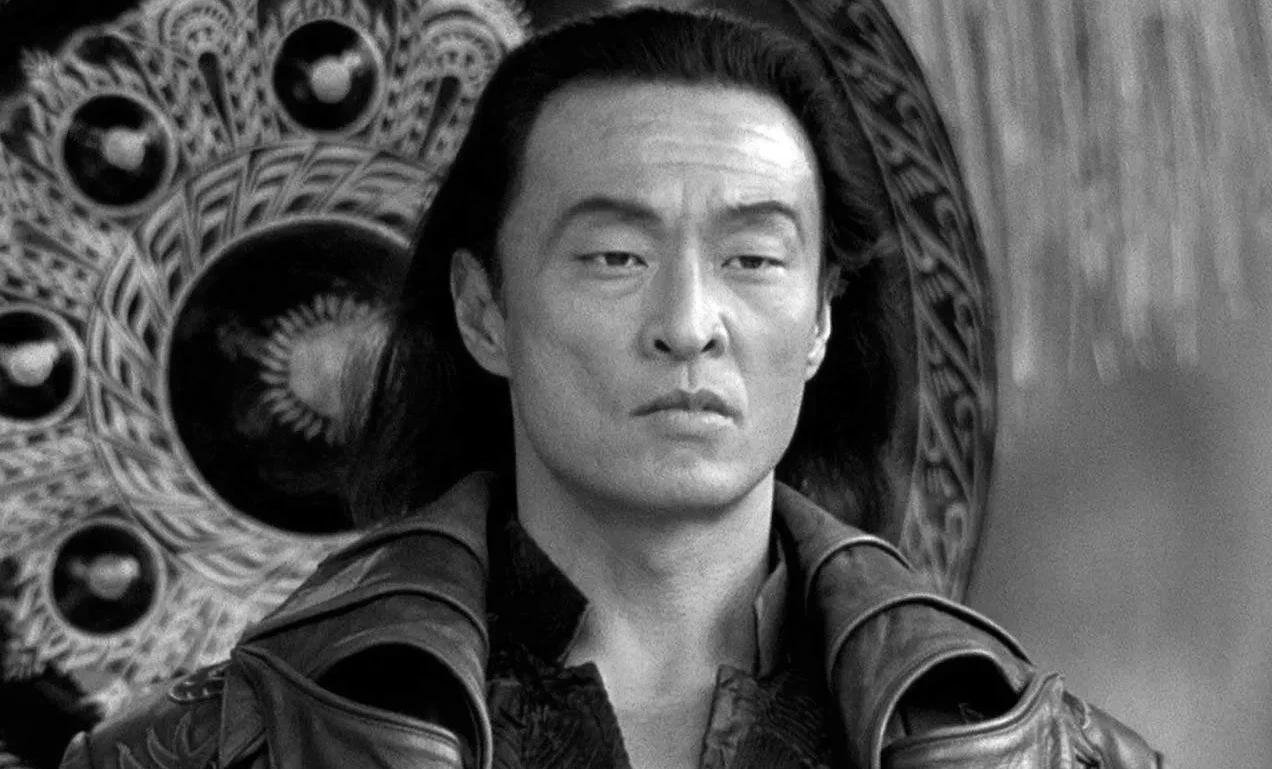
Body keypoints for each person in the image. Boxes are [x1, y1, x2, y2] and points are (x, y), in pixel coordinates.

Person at [59, 7, 1163, 769]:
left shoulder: (1042, 753)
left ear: (823, 319)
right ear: (484, 310)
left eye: (753, 258)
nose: (689, 323)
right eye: (614, 256)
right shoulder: (219, 750)